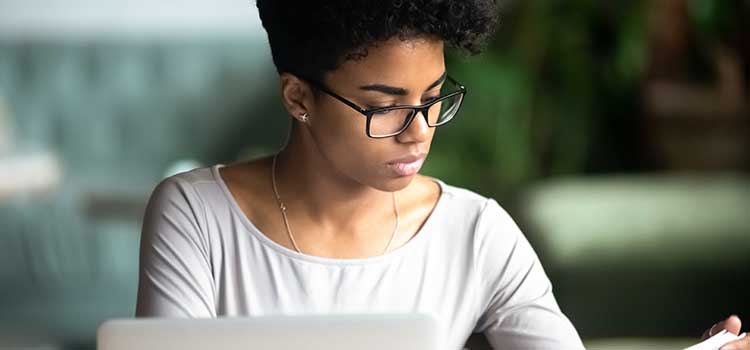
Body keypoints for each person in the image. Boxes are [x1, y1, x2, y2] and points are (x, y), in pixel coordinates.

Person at [135, 1, 749, 349]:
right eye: (385, 107)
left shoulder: (475, 232)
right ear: (299, 97)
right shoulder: (197, 217)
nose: (420, 129)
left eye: (433, 97)